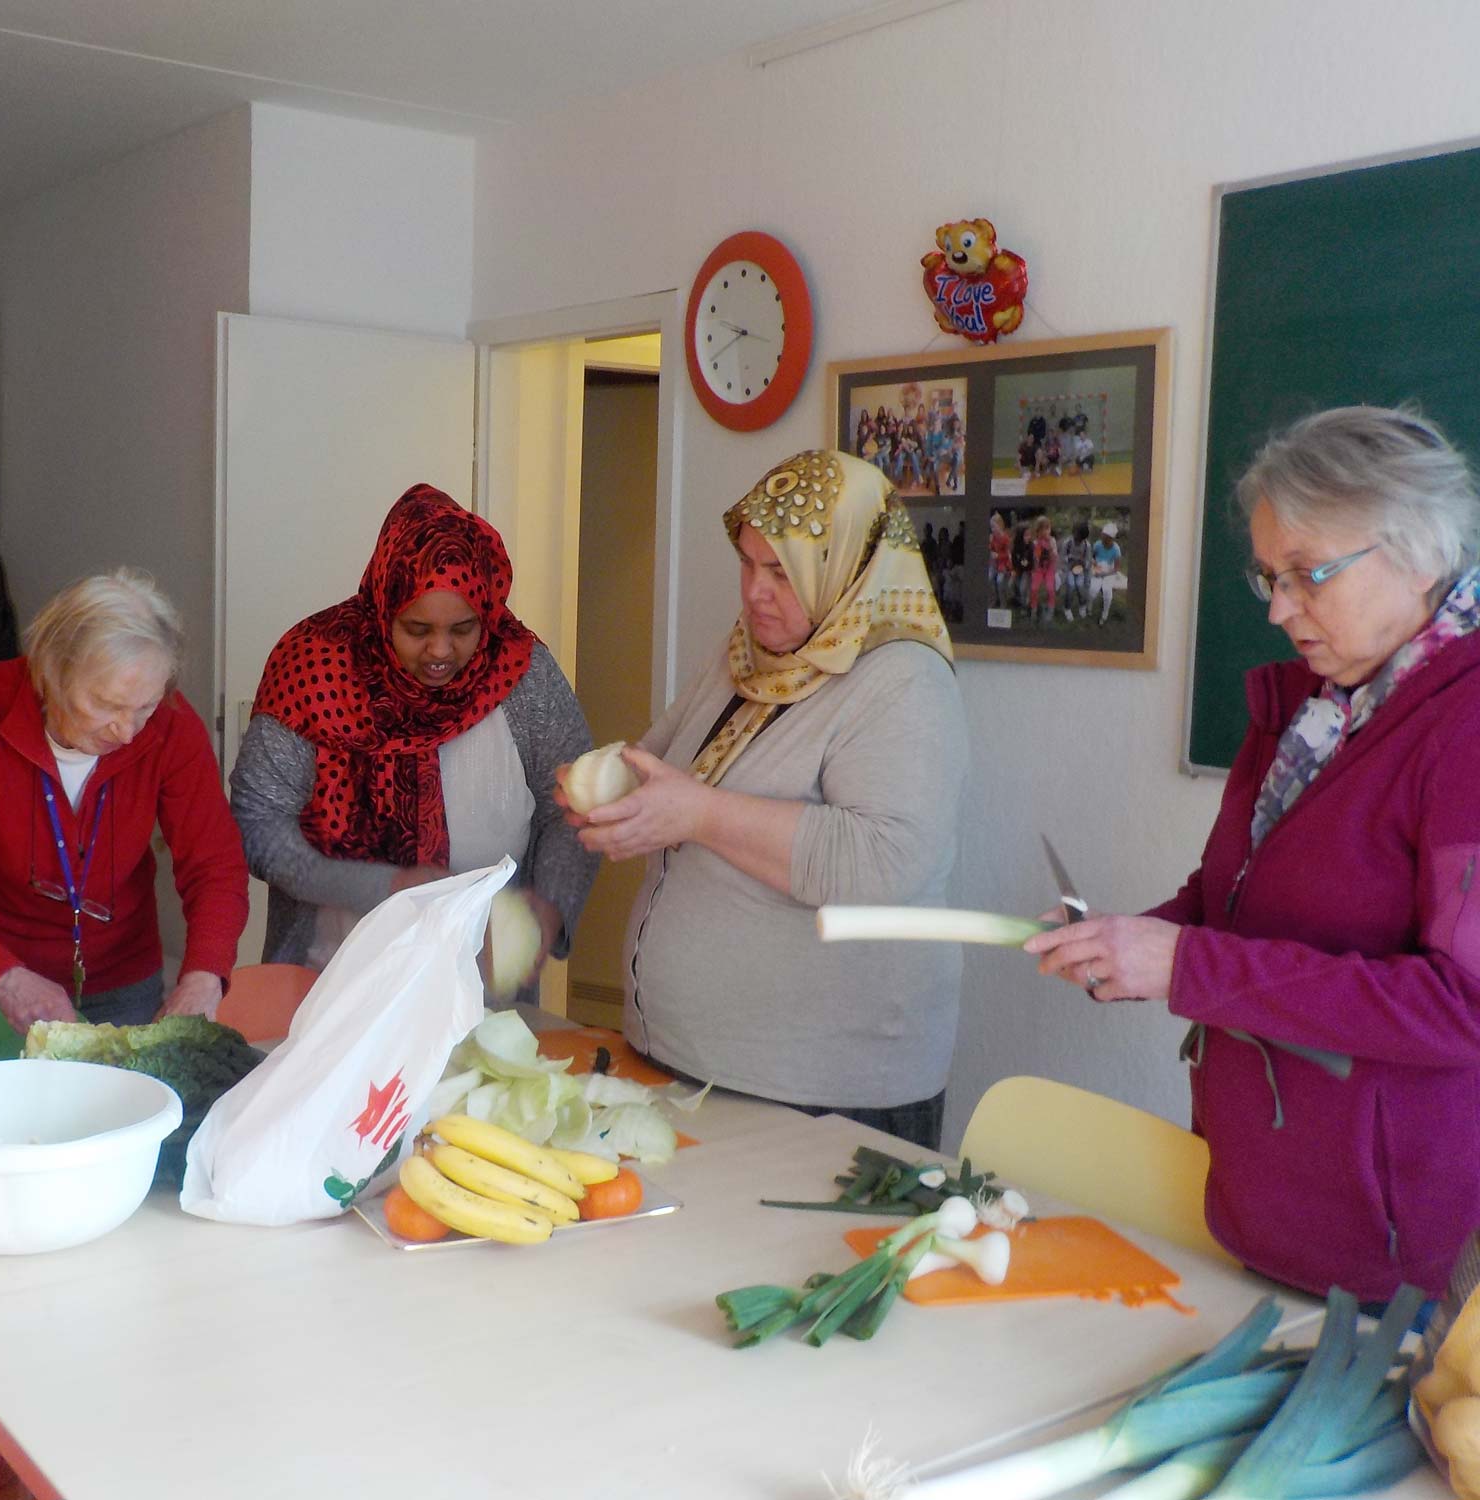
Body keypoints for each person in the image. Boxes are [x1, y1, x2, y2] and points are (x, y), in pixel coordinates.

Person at [1026, 407, 1480, 1304]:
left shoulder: (1464, 728)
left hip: (1395, 1257)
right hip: (1265, 1207)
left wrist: (1190, 966)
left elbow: (1459, 1007)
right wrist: (1130, 940)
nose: (1278, 609)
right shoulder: (1318, 709)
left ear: (1423, 556)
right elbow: (1230, 896)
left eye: (1310, 574)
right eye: (1269, 576)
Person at [572, 451, 966, 1149]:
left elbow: (885, 862)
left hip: (822, 1093)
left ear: (845, 564)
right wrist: (606, 794)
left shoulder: (904, 679)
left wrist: (698, 814)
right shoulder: (745, 658)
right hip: (693, 1064)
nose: (755, 591)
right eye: (749, 564)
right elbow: (659, 765)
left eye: (781, 571)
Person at [231, 484, 596, 988]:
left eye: (464, 629)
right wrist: (388, 886)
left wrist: (550, 907)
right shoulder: (314, 668)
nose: (439, 651)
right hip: (328, 980)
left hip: (479, 982)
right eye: (416, 629)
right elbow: (259, 824)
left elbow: (572, 807)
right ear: (384, 608)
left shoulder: (522, 672)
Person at [0, 570, 247, 1031]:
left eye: (145, 706)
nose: (128, 731)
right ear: (52, 671)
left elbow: (215, 865)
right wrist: (6, 980)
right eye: (106, 705)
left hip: (119, 986)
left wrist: (204, 976)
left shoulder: (172, 726)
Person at [1089, 520, 1123, 623]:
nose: (1103, 539)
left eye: (1105, 538)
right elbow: (1092, 557)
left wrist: (1105, 573)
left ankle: (1104, 614)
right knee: (1093, 590)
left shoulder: (1116, 549)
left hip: (1109, 571)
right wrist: (1094, 563)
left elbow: (1116, 569)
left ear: (1111, 539)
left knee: (1107, 591)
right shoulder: (1098, 544)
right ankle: (1089, 607)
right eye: (1102, 536)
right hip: (1098, 569)